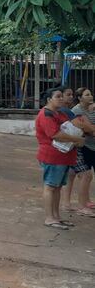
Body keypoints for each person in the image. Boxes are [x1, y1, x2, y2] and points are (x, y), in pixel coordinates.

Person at [35, 87, 85, 230]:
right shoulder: (46, 114)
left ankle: (56, 217)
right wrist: (76, 138)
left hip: (63, 156)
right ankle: (49, 217)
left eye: (61, 96)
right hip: (52, 156)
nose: (61, 99)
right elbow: (55, 134)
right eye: (58, 97)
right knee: (50, 186)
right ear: (49, 99)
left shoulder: (59, 113)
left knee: (57, 188)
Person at [62, 87, 95, 215]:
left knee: (72, 174)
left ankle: (68, 203)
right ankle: (82, 206)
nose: (91, 96)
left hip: (77, 145)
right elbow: (87, 128)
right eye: (67, 95)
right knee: (86, 175)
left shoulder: (68, 111)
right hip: (77, 146)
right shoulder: (74, 111)